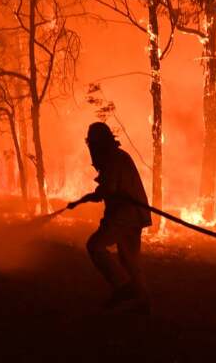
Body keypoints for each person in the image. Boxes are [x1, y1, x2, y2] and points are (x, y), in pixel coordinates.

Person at [66, 121, 153, 310]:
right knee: (129, 259)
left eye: (93, 142)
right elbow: (110, 188)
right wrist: (85, 199)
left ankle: (124, 287)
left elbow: (109, 189)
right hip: (132, 214)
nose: (92, 147)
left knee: (95, 246)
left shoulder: (113, 159)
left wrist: (88, 197)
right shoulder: (116, 156)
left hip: (126, 214)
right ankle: (143, 301)